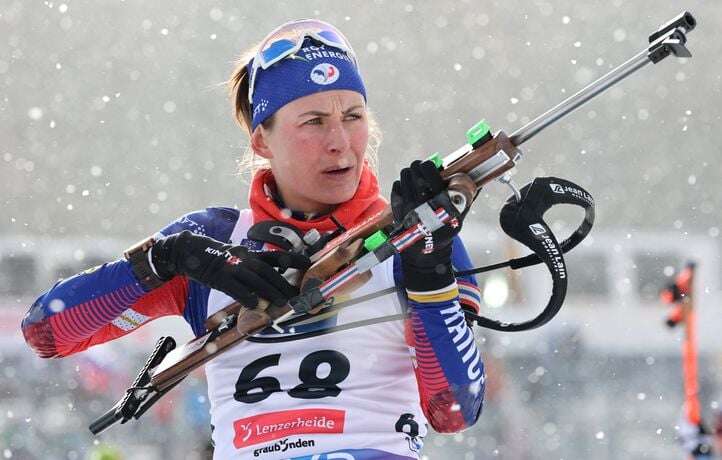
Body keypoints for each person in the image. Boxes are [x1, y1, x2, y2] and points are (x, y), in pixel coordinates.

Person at [21, 19, 485, 460]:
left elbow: (456, 410)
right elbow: (47, 332)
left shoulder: (418, 231)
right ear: (263, 139)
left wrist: (429, 272)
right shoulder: (217, 235)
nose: (340, 141)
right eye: (314, 121)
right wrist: (167, 258)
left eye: (353, 116)